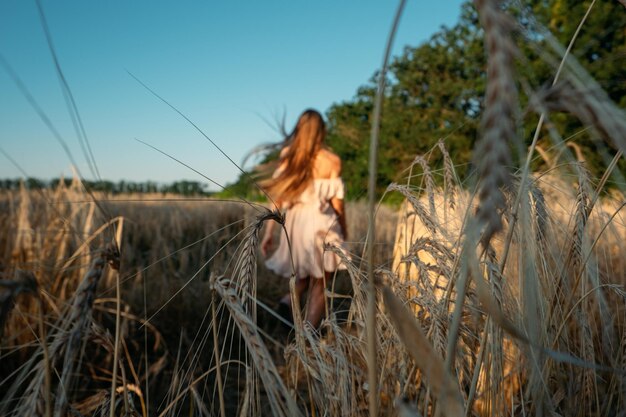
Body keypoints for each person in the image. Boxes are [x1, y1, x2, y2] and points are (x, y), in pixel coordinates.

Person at [260, 109, 347, 329]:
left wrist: (269, 233)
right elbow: (337, 204)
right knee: (321, 282)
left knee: (302, 276)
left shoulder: (289, 155)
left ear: (298, 129)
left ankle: (286, 304)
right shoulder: (332, 161)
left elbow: (278, 199)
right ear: (321, 131)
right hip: (322, 223)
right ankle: (308, 335)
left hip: (295, 224)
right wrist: (344, 232)